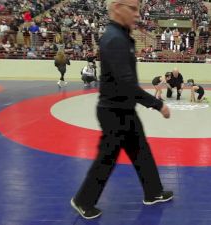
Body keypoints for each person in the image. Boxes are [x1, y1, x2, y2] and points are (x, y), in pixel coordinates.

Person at [70, 0, 173, 220]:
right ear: (117, 8)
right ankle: (83, 201)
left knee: (141, 151)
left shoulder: (122, 36)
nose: (138, 14)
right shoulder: (115, 39)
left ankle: (153, 192)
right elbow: (127, 84)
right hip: (114, 111)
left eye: (138, 9)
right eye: (133, 9)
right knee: (106, 158)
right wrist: (158, 104)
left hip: (122, 108)